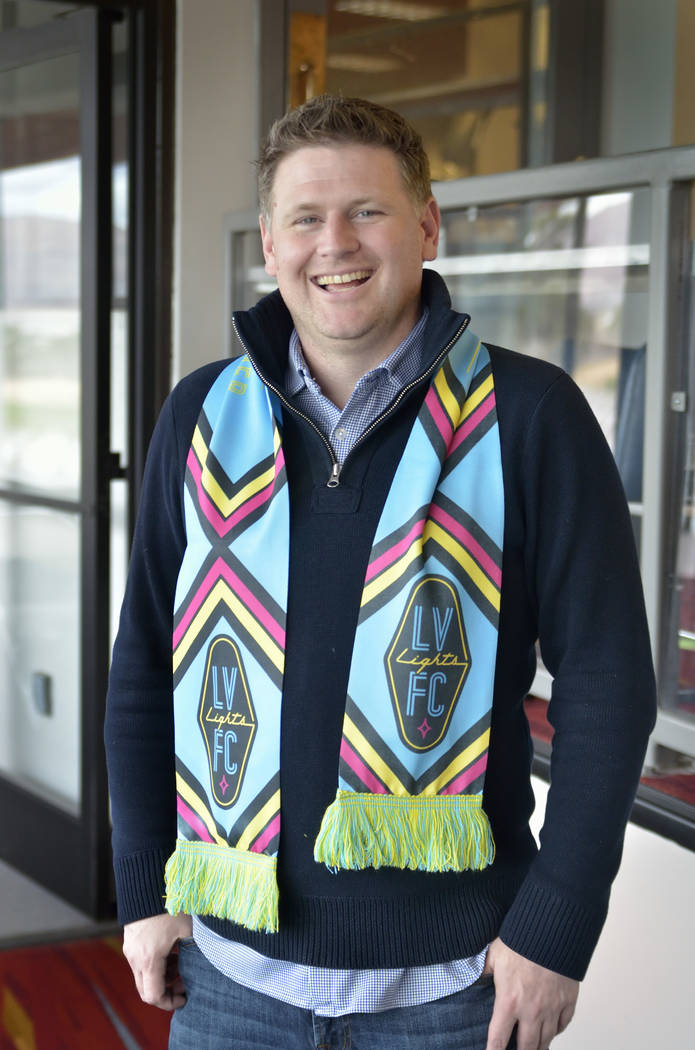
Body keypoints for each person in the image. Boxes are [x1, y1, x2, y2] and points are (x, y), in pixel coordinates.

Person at [105, 95, 656, 1050]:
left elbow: (607, 688)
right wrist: (145, 887)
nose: (336, 244)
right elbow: (143, 669)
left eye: (367, 211)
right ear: (270, 245)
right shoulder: (200, 414)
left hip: (452, 992)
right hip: (229, 980)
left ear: (426, 226)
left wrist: (556, 931)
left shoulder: (530, 415)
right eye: (306, 219)